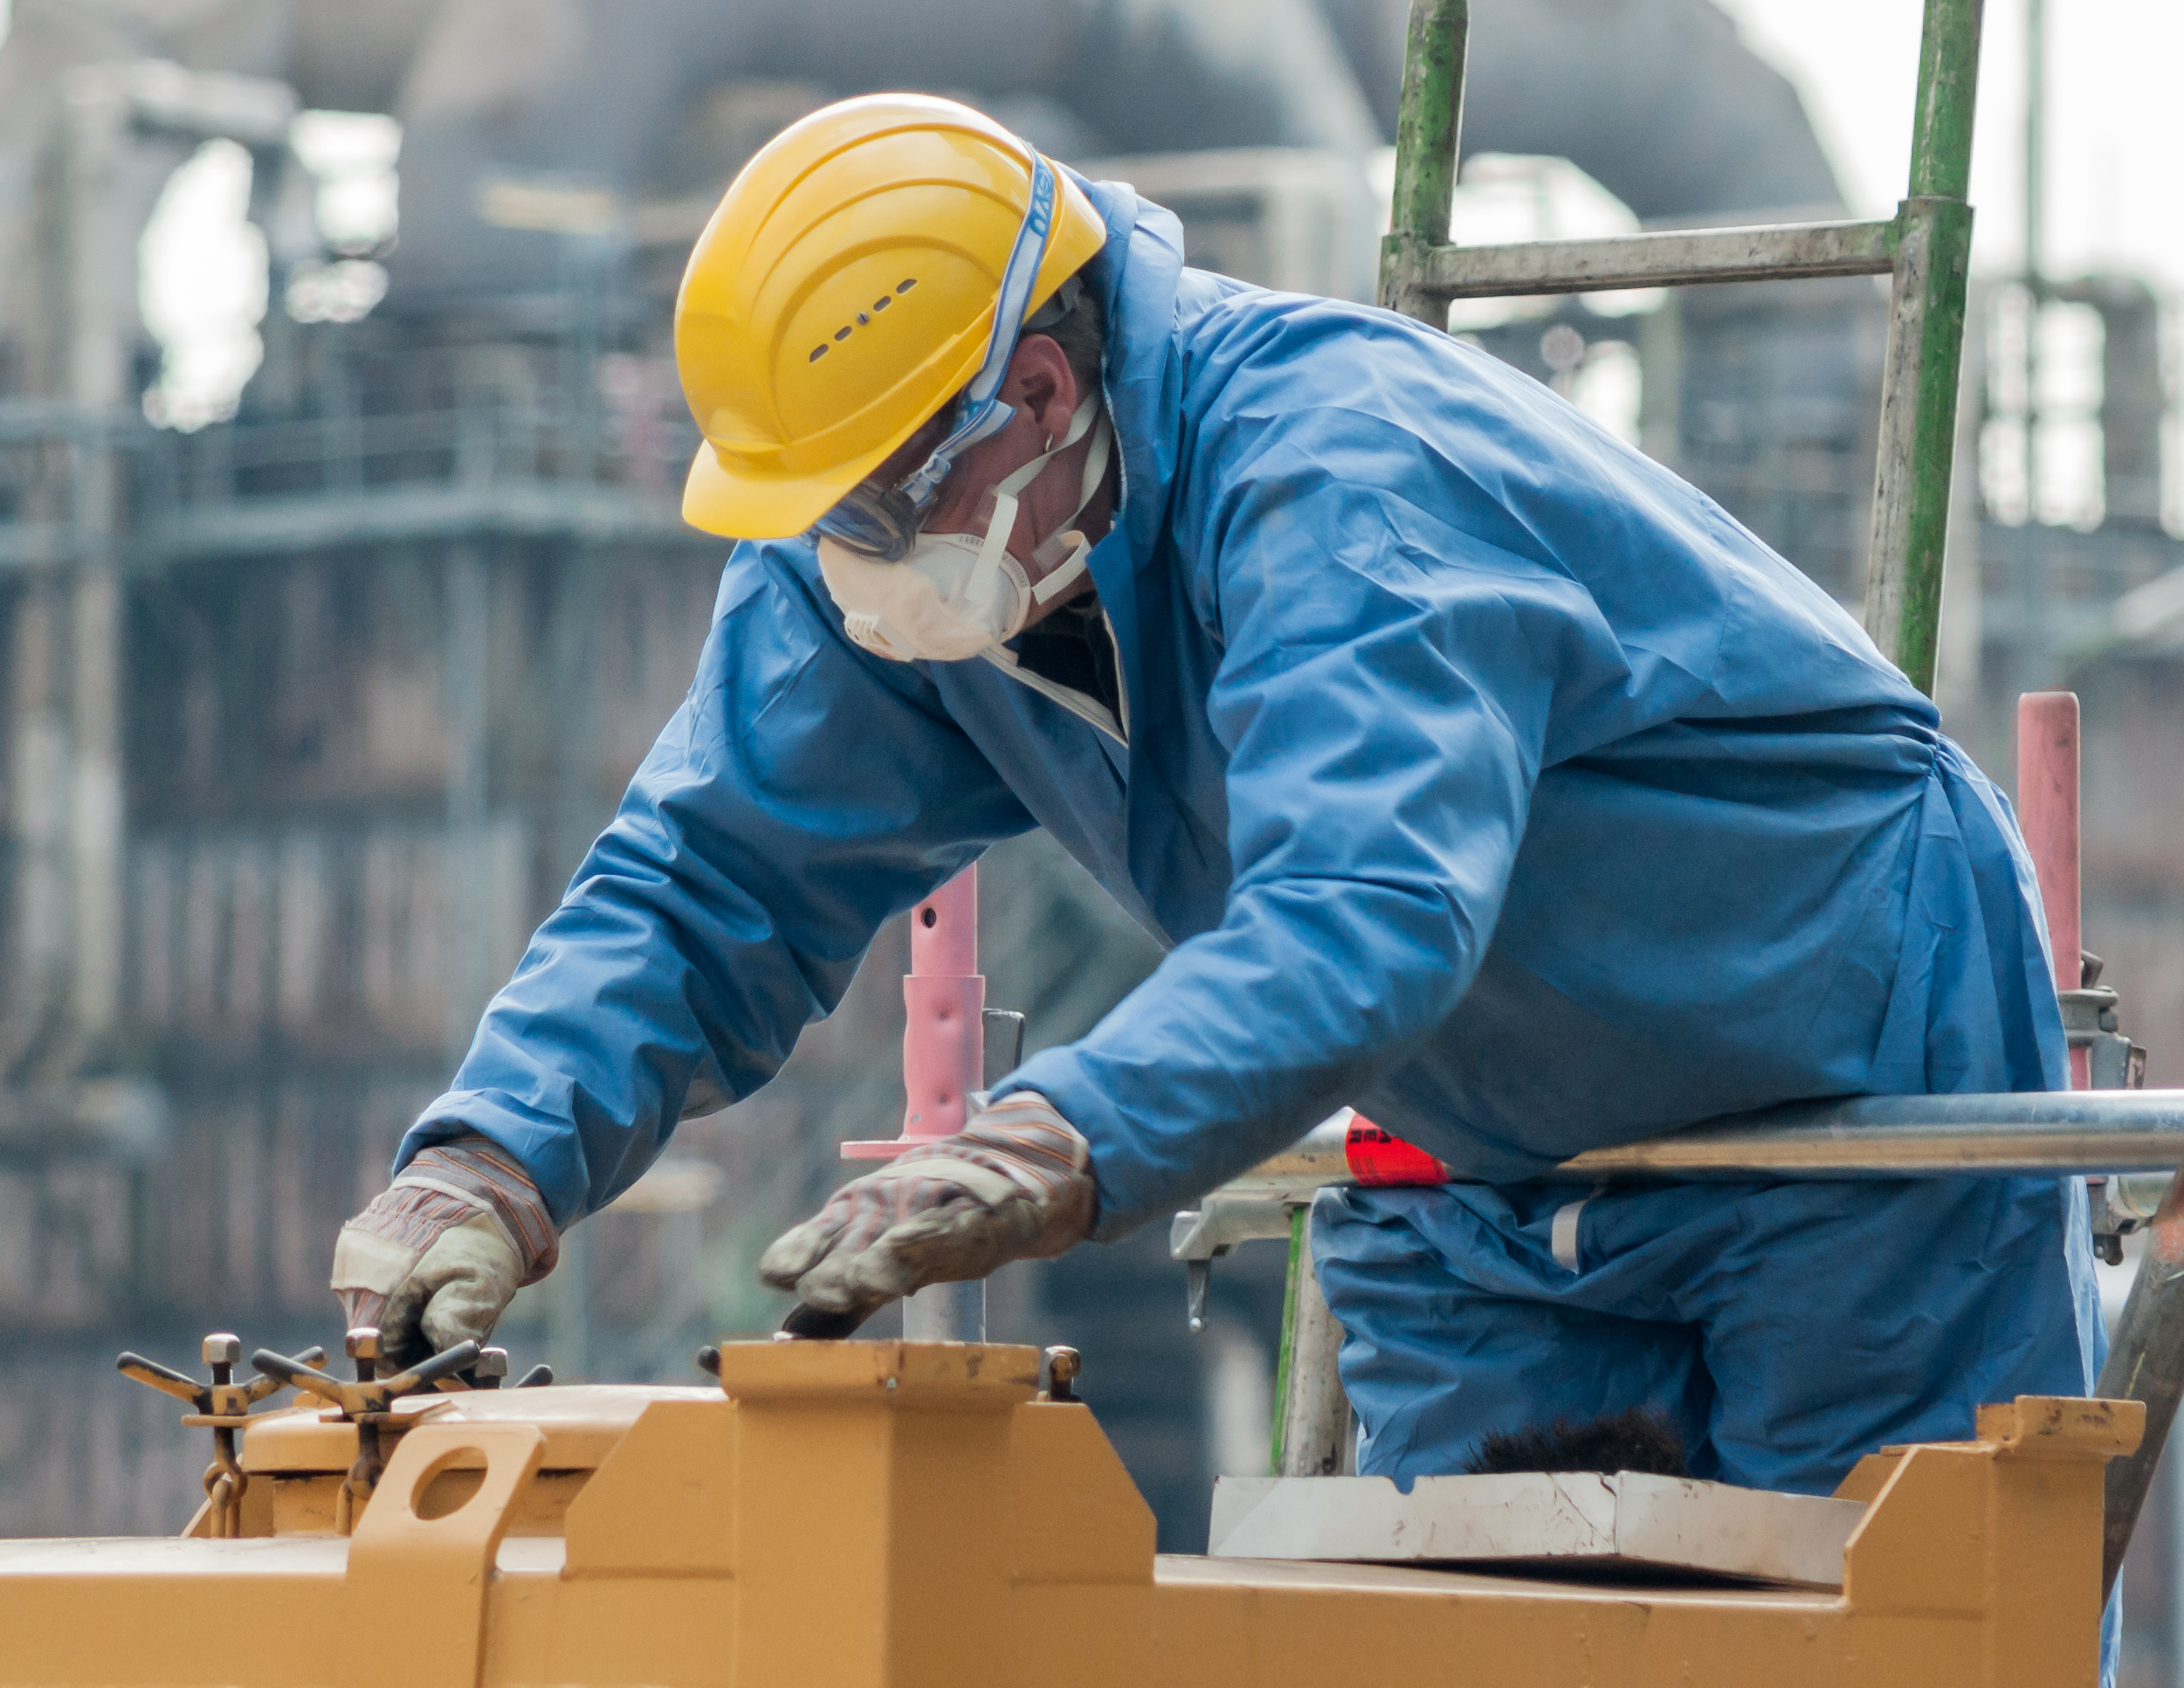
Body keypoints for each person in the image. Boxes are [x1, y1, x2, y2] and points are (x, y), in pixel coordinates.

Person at [331, 94, 2102, 1502]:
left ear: (1033, 387)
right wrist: (487, 1157)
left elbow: (1368, 909)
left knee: (1903, 1625)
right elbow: (708, 881)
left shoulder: (1340, 472)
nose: (835, 563)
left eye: (865, 505)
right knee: (1494, 1643)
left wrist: (1051, 1139)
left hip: (1843, 1077)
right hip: (1487, 1157)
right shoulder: (892, 562)